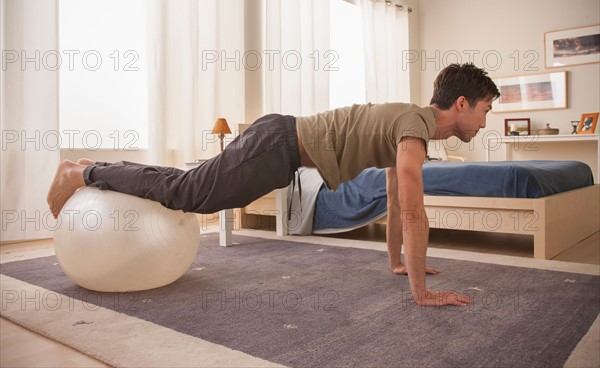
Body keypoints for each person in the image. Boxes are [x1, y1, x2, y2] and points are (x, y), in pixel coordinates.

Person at [48, 63, 499, 308]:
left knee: (187, 186)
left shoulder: (410, 126)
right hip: (277, 146)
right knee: (186, 193)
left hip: (279, 147)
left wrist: (399, 265)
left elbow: (399, 202)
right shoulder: (414, 127)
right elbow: (414, 210)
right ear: (460, 103)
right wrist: (421, 293)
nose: (484, 121)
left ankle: (92, 167)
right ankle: (82, 172)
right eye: (484, 110)